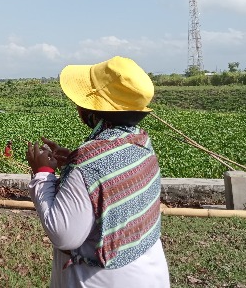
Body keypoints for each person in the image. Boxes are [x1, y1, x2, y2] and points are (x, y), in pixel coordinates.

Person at [25, 56, 169, 288]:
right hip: (149, 271)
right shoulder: (141, 141)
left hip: (105, 281)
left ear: (93, 110)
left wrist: (43, 173)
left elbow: (63, 233)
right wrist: (73, 160)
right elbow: (110, 172)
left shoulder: (88, 161)